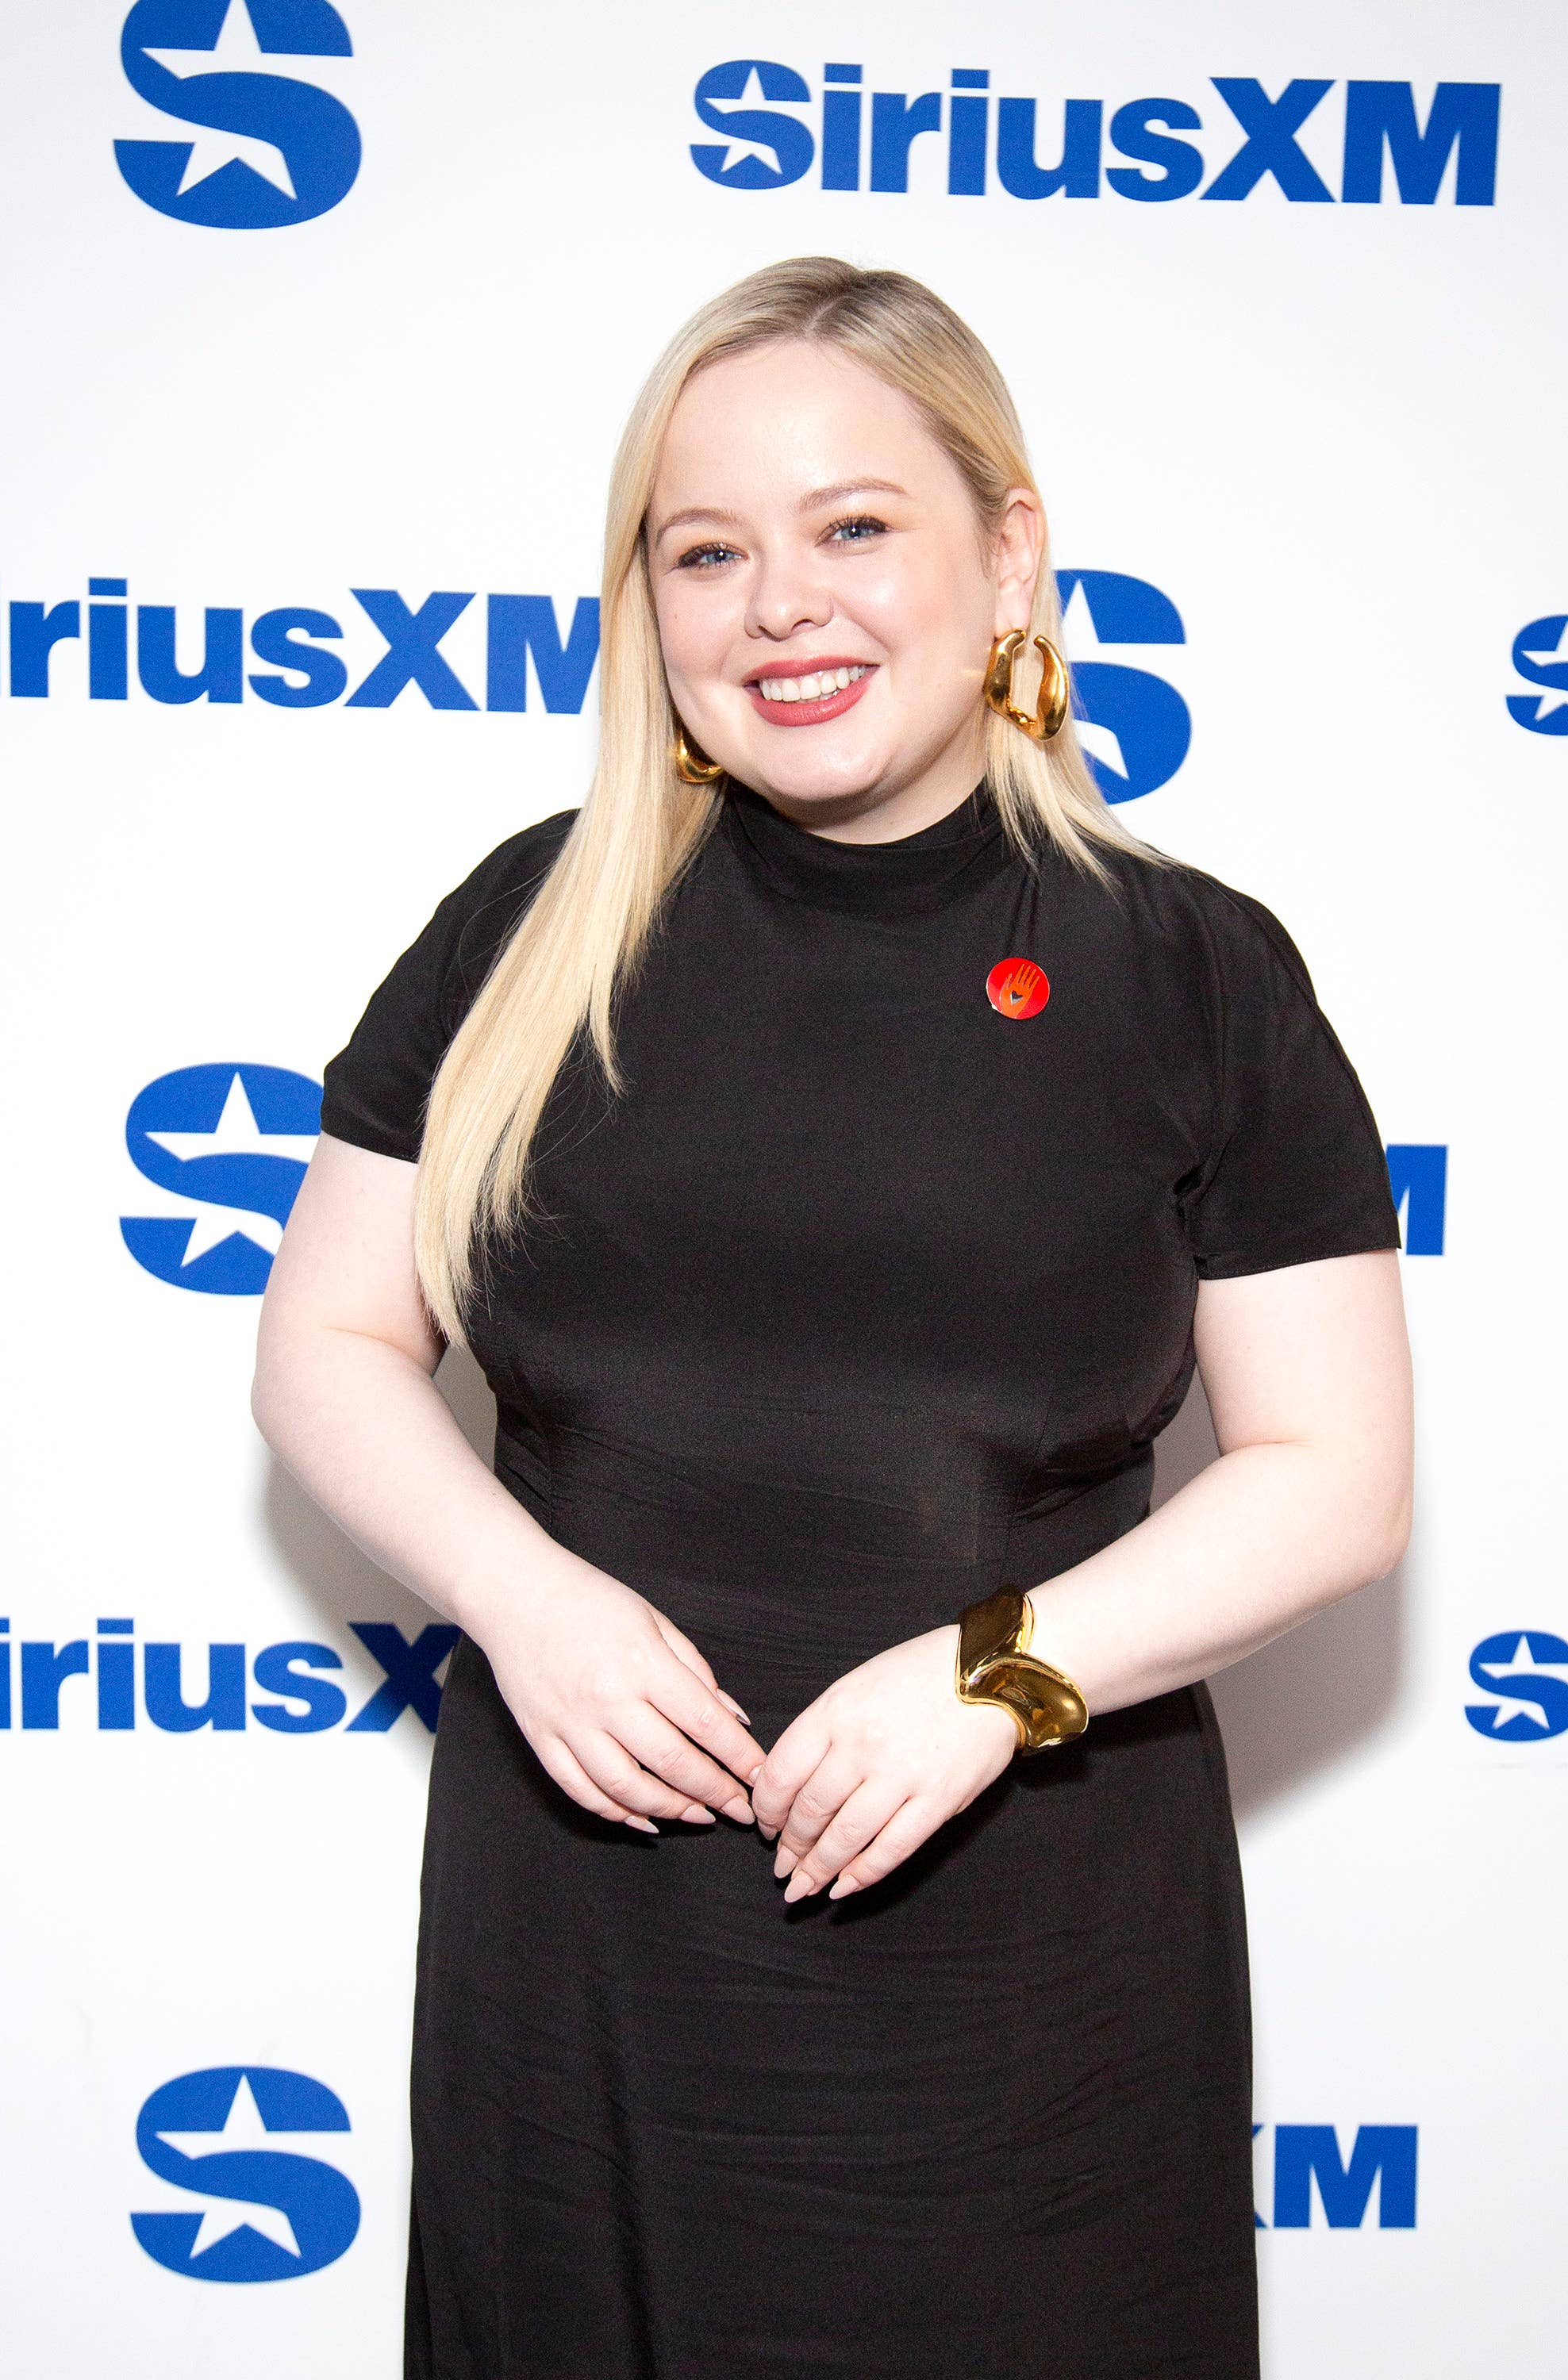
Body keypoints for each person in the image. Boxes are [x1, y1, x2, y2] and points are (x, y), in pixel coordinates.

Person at [252, 255, 1413, 2379]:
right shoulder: (523, 932)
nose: (780, 603)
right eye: (708, 550)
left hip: (1033, 1958)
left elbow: (1337, 1478)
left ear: (1006, 555)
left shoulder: (1191, 972)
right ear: (647, 606)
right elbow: (324, 1350)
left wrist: (1002, 1679)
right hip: (582, 1944)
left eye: (854, 525)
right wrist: (524, 1601)